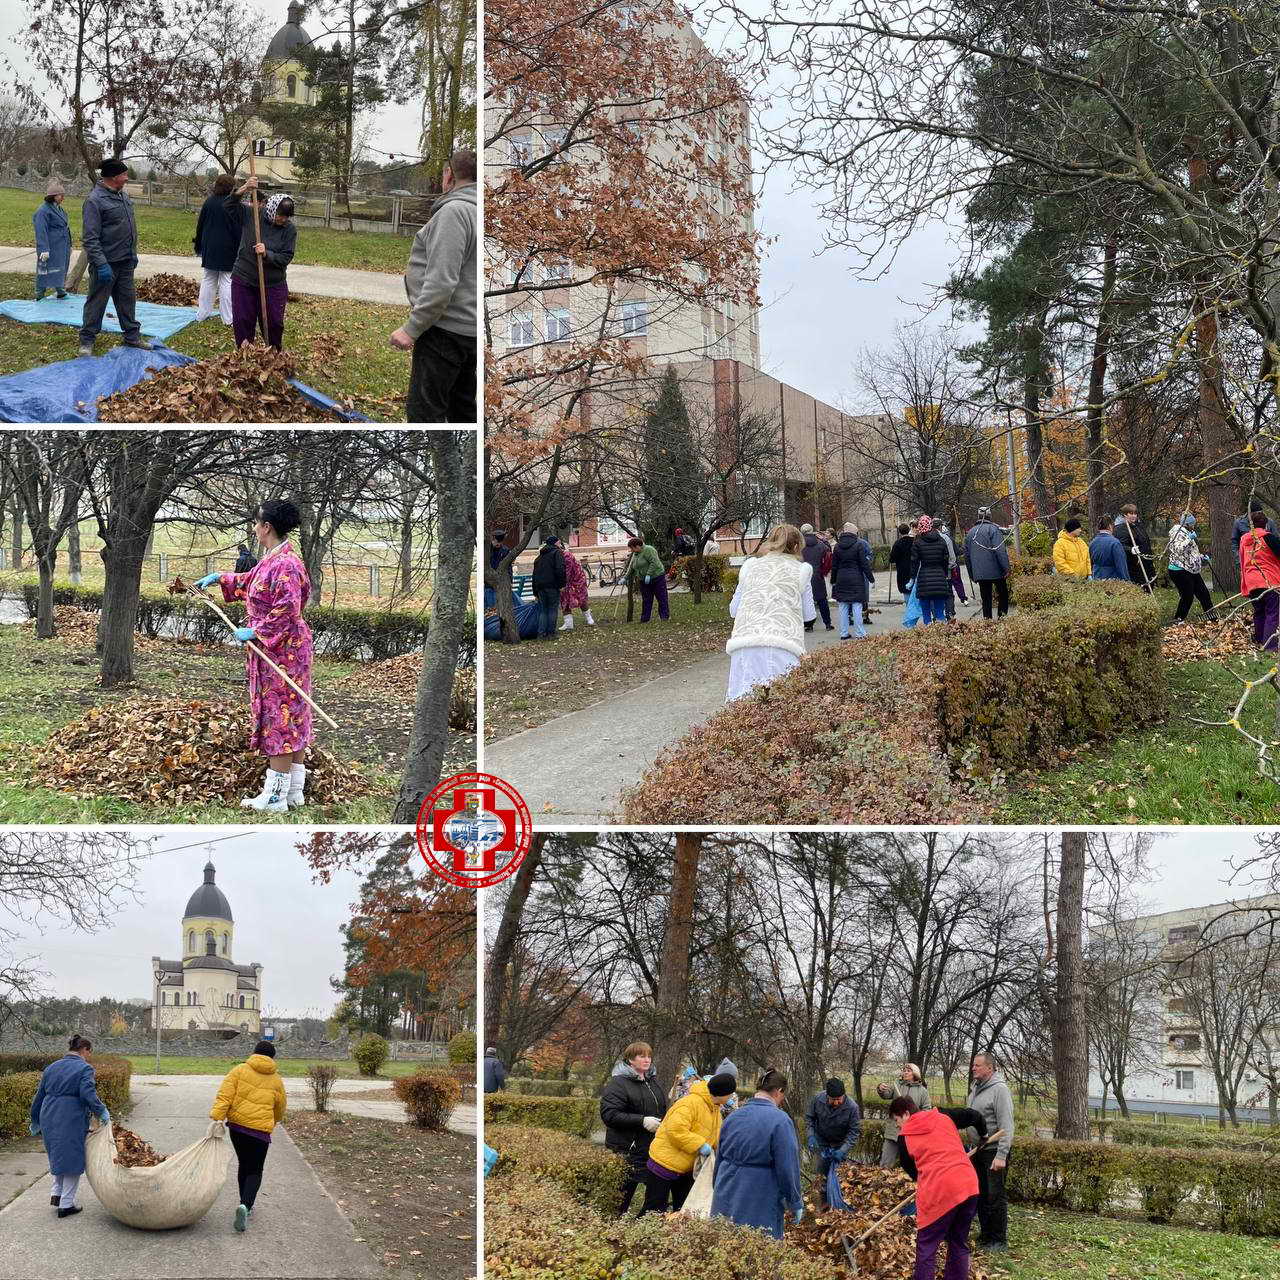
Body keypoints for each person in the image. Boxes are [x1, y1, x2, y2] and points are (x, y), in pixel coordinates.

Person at [194, 498, 313, 813]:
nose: (254, 528)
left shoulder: (285, 563)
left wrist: (258, 631)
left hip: (283, 652)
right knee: (294, 716)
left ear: (267, 527)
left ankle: (275, 798)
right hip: (279, 648)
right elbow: (253, 583)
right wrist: (221, 578)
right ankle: (293, 792)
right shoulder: (274, 558)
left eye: (256, 523)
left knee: (282, 718)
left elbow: (288, 608)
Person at [392, 149, 477, 423]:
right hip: (468, 333)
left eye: (443, 171)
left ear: (449, 174)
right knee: (461, 411)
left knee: (424, 414)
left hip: (444, 333)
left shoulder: (455, 212)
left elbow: (442, 281)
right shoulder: (477, 209)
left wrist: (412, 329)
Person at [890, 1096, 981, 1280]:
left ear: (906, 1114)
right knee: (958, 1242)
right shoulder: (943, 1116)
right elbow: (974, 1115)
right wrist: (984, 1134)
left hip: (941, 1191)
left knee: (927, 1246)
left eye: (897, 1120)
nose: (898, 1126)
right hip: (969, 1185)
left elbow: (913, 1172)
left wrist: (928, 1180)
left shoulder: (904, 1138)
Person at [725, 523, 815, 701]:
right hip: (783, 644)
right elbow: (809, 615)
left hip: (744, 643)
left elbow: (734, 610)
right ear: (797, 545)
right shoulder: (801, 570)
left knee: (741, 705)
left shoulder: (750, 567)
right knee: (783, 706)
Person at [711, 1068, 804, 1240]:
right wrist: (795, 1201)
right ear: (779, 1091)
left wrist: (717, 1186)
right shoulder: (781, 1121)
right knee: (756, 1249)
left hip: (725, 1190)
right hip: (759, 1195)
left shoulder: (733, 1116)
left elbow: (719, 1157)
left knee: (724, 1245)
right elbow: (787, 1168)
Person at [209, 1039, 287, 1233]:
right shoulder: (276, 1079)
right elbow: (280, 1107)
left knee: (244, 1164)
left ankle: (242, 1201)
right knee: (256, 1169)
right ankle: (246, 1205)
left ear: (254, 1053)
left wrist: (217, 1117)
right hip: (261, 1131)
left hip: (238, 1128)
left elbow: (224, 1095)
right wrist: (273, 1121)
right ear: (272, 1058)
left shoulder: (239, 1070)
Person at [29, 1034, 110, 1218]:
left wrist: (35, 1118)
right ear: (85, 1050)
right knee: (73, 1158)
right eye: (90, 1052)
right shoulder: (84, 1069)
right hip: (70, 1115)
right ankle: (66, 1205)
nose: (90, 1056)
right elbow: (87, 1094)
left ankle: (56, 1195)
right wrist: (101, 1111)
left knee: (58, 1155)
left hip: (49, 1114)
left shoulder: (51, 1067)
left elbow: (39, 1096)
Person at [78, 159, 151, 358]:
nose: (127, 178)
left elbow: (130, 228)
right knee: (97, 303)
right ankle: (87, 340)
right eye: (124, 175)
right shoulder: (95, 200)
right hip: (106, 264)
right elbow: (90, 238)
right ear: (113, 177)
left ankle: (132, 336)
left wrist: (132, 253)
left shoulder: (123, 196)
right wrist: (101, 264)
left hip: (125, 261)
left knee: (127, 301)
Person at [642, 1071, 736, 1215]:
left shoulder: (714, 1107)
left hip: (684, 1168)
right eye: (730, 1094)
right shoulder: (690, 1103)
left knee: (684, 1211)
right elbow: (675, 1130)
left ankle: (673, 1236)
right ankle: (641, 1236)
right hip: (663, 1164)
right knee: (653, 1210)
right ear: (723, 1094)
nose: (731, 1098)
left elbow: (715, 1133)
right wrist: (700, 1145)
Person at [225, 177, 297, 351]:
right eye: (280, 215)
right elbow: (228, 206)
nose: (283, 220)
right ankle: (245, 354)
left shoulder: (289, 230)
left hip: (273, 283)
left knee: (274, 322)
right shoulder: (253, 215)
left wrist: (267, 254)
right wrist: (245, 187)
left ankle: (273, 354)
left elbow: (286, 257)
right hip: (245, 278)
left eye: (286, 217)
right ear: (272, 209)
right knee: (243, 319)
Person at [600, 1041, 668, 1215]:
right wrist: (642, 1121)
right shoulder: (618, 1083)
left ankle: (645, 1227)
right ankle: (611, 1228)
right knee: (621, 1195)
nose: (647, 1060)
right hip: (626, 1148)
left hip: (650, 1147)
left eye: (649, 1056)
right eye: (641, 1056)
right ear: (631, 1060)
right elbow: (610, 1115)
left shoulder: (652, 1082)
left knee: (655, 1193)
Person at [966, 1053, 1015, 1252]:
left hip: (994, 1151)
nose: (973, 1068)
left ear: (989, 1068)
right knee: (981, 1195)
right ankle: (985, 1236)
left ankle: (998, 1240)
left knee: (995, 1196)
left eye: (977, 1066)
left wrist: (1001, 1155)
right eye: (973, 1066)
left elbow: (1007, 1126)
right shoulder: (975, 1089)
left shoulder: (999, 1090)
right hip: (978, 1150)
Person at [804, 1077, 860, 1207]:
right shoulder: (818, 1099)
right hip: (822, 1141)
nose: (836, 1102)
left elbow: (854, 1132)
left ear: (844, 1095)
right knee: (821, 1173)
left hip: (840, 1144)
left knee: (838, 1175)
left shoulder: (852, 1107)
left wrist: (843, 1150)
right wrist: (811, 1136)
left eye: (839, 1099)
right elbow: (809, 1119)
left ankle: (837, 1203)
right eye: (833, 1099)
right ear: (827, 1095)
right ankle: (820, 1204)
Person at [193, 174, 240, 325]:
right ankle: (228, 318)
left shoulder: (209, 202)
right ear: (230, 187)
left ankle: (202, 313)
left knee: (208, 279)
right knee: (226, 281)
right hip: (228, 247)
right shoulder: (232, 204)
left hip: (209, 246)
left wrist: (199, 244)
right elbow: (237, 228)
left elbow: (200, 225)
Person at [876, 1063, 932, 1168]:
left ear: (915, 1073)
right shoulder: (897, 1084)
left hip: (911, 1133)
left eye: (908, 1070)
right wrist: (880, 1088)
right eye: (904, 1070)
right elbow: (886, 1094)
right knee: (885, 1164)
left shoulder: (923, 1091)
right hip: (893, 1130)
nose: (905, 1072)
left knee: (910, 1166)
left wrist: (914, 1116)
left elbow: (927, 1110)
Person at [1239, 509, 1280, 652]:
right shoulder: (1269, 538)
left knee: (1259, 611)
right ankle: (1270, 646)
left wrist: (1244, 583)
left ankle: (1259, 639)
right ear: (1265, 524)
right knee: (1272, 613)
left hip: (1252, 581)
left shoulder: (1244, 539)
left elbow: (1242, 560)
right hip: (1270, 581)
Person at [1166, 514, 1214, 621]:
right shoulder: (1177, 533)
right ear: (1187, 524)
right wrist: (1189, 538)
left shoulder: (1187, 532)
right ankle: (1178, 619)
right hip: (1179, 570)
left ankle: (1212, 617)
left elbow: (1189, 552)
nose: (1194, 526)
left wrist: (1201, 557)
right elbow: (1178, 549)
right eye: (1192, 524)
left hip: (1190, 568)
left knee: (1203, 593)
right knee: (1187, 596)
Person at [964, 508, 1010, 619]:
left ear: (978, 517)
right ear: (990, 516)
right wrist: (1006, 568)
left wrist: (972, 574)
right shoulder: (993, 529)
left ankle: (987, 623)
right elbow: (1000, 550)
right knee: (1003, 595)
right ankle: (1002, 618)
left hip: (980, 572)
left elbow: (967, 556)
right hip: (996, 571)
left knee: (986, 599)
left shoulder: (970, 532)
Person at [830, 522, 874, 638]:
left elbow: (834, 566)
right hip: (856, 579)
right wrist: (871, 578)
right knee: (857, 606)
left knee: (843, 606)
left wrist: (833, 581)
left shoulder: (838, 546)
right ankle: (860, 633)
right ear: (854, 532)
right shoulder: (859, 544)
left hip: (841, 578)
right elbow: (864, 564)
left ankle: (844, 633)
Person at [33, 179, 72, 301]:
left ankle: (60, 290)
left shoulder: (59, 209)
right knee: (44, 269)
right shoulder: (43, 210)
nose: (63, 198)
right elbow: (40, 230)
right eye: (61, 195)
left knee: (61, 267)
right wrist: (43, 249)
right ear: (53, 196)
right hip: (50, 246)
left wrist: (69, 245)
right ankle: (39, 293)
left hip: (61, 245)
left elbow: (66, 227)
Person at [910, 516, 952, 624]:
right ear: (931, 526)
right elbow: (946, 559)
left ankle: (928, 631)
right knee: (939, 612)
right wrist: (944, 573)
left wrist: (912, 578)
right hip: (939, 579)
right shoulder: (941, 540)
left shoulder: (917, 542)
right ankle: (941, 632)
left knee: (926, 612)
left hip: (924, 580)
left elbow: (914, 562)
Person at [624, 536, 669, 622]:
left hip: (657, 577)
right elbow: (632, 566)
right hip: (643, 580)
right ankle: (645, 618)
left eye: (632, 548)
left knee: (661, 597)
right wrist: (626, 577)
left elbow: (654, 562)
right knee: (646, 599)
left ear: (637, 546)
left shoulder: (649, 550)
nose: (631, 550)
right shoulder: (635, 554)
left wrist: (648, 574)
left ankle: (664, 617)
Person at [800, 523, 834, 631]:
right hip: (817, 574)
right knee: (822, 600)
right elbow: (828, 556)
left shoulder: (798, 546)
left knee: (805, 601)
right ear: (812, 531)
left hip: (802, 575)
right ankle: (827, 624)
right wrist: (823, 571)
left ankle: (808, 625)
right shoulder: (820, 544)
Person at [531, 534, 567, 637]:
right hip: (552, 586)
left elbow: (534, 575)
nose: (560, 544)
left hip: (540, 587)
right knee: (552, 609)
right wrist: (562, 584)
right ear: (555, 543)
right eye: (559, 542)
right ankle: (551, 632)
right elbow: (560, 569)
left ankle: (541, 633)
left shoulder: (539, 557)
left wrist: (535, 591)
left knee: (543, 610)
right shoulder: (557, 553)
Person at [1116, 504, 1155, 590]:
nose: (1134, 516)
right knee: (1140, 588)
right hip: (1135, 565)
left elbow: (1145, 543)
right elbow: (1119, 546)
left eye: (1135, 513)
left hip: (1146, 563)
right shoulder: (1121, 529)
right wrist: (1131, 550)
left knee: (1150, 585)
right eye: (1131, 513)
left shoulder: (1138, 526)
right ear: (1125, 515)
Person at [559, 545, 594, 630]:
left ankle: (589, 618)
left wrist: (561, 584)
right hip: (567, 582)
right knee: (564, 601)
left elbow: (567, 572)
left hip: (577, 581)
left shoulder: (566, 555)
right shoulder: (558, 557)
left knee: (581, 599)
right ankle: (568, 623)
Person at [1088, 518, 1130, 582]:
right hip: (1112, 579)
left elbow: (1090, 562)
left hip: (1096, 577)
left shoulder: (1093, 542)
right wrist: (1126, 580)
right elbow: (1121, 565)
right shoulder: (1115, 543)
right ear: (1110, 526)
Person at [889, 523, 915, 597]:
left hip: (902, 571)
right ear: (909, 530)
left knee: (906, 591)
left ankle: (908, 607)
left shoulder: (898, 543)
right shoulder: (914, 541)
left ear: (899, 532)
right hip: (914, 569)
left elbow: (892, 559)